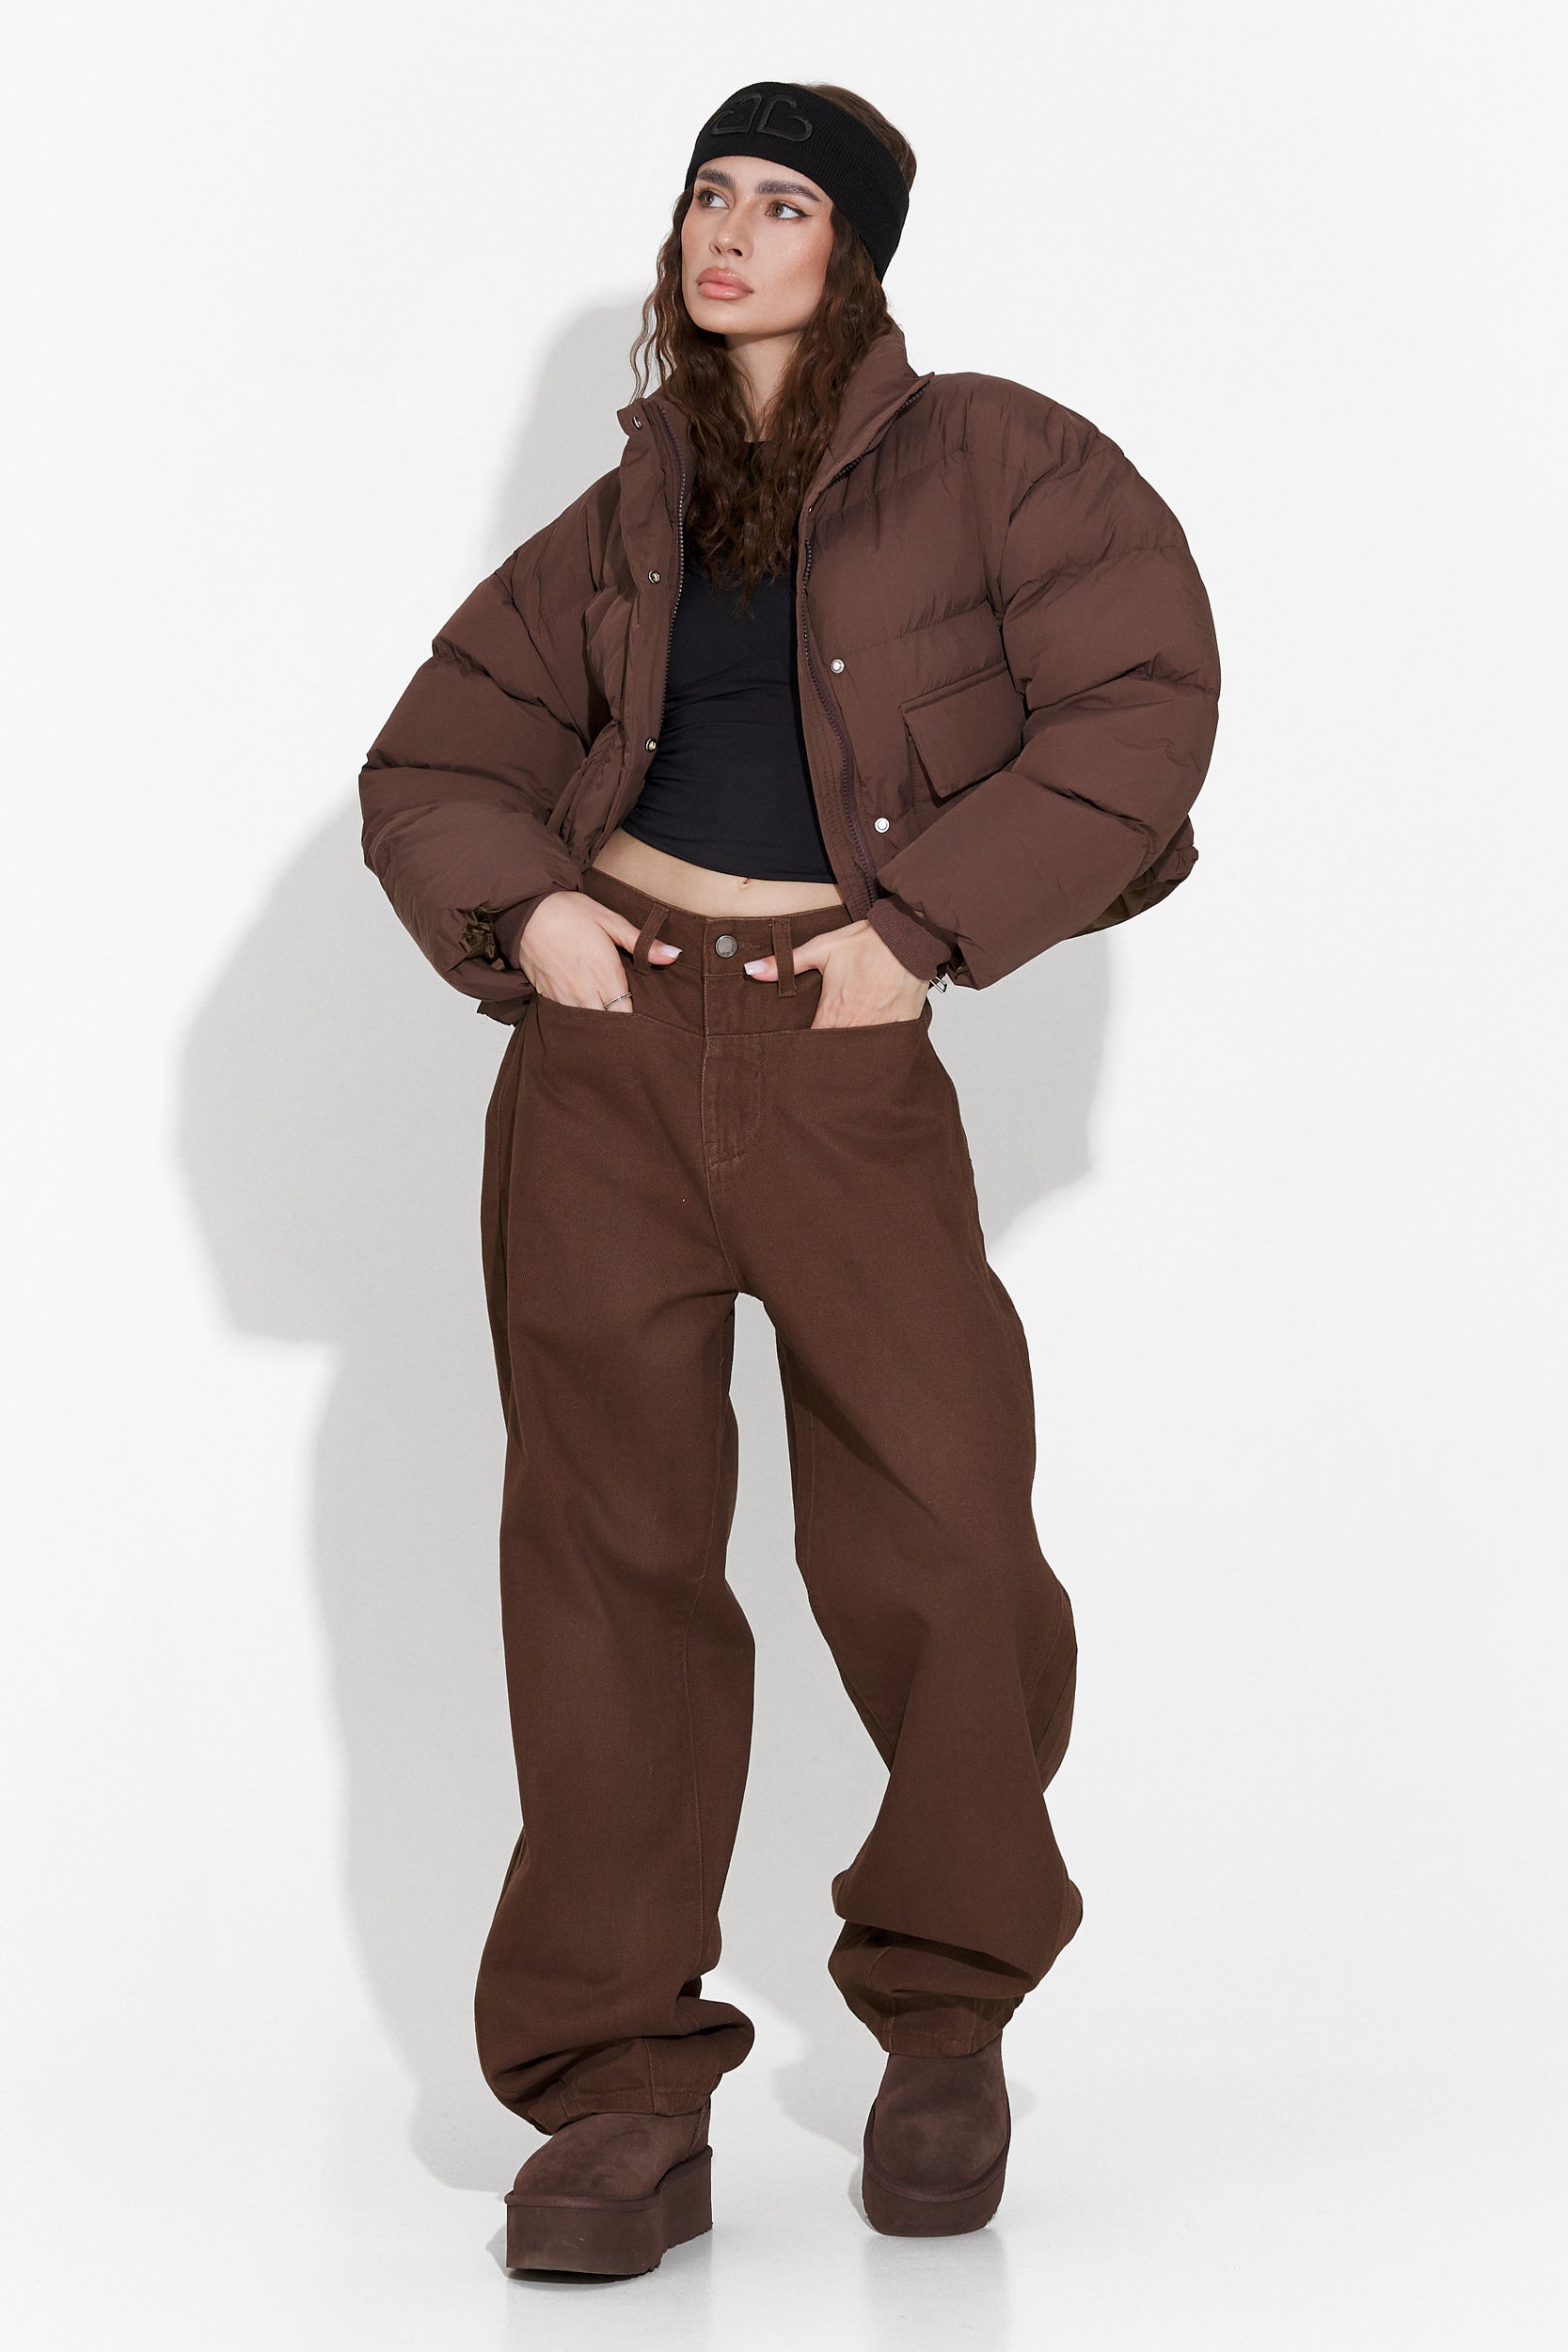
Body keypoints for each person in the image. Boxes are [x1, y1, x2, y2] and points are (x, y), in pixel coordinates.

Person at [359, 78, 1220, 2276]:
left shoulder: (1001, 460)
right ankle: (619, 2090)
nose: (728, 232)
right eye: (707, 196)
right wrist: (530, 915)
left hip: (840, 1069)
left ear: (859, 251)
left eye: (782, 203)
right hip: (607, 1068)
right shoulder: (627, 510)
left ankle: (947, 2016)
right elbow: (439, 752)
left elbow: (1138, 702)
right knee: (606, 1565)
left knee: (946, 1539)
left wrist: (922, 931)